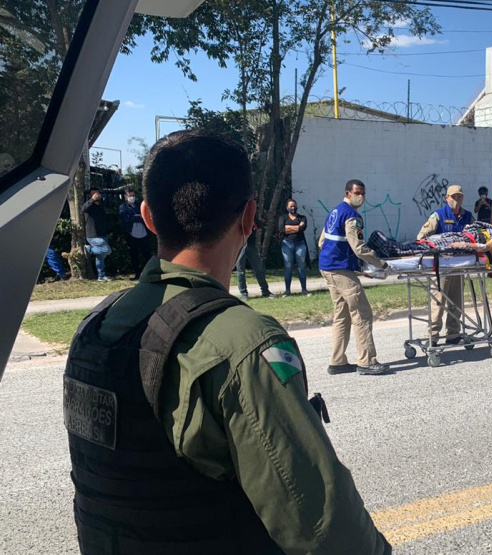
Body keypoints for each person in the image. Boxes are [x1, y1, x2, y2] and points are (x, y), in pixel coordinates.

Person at [63, 130, 390, 554]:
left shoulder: (95, 326)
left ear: (147, 215)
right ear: (249, 217)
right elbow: (330, 532)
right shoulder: (244, 344)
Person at [318, 179, 391, 376]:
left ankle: (337, 361)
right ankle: (367, 362)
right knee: (362, 313)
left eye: (363, 193)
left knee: (342, 315)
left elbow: (321, 241)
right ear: (348, 193)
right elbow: (359, 248)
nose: (361, 196)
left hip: (328, 267)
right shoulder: (352, 216)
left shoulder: (334, 212)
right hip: (340, 270)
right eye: (358, 192)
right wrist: (381, 264)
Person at [417, 184, 474, 345]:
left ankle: (453, 334)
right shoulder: (439, 215)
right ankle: (432, 336)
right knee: (438, 302)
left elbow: (476, 233)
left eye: (459, 196)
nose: (457, 199)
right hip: (441, 267)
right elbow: (421, 236)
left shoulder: (468, 217)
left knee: (456, 301)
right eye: (453, 196)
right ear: (446, 198)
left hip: (460, 265)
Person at [368, 222, 492, 257]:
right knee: (415, 246)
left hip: (456, 244)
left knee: (406, 250)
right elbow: (473, 225)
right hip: (452, 238)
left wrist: (465, 244)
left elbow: (484, 248)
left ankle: (380, 252)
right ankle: (377, 253)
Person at [278, 198, 312, 297]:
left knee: (301, 266)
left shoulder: (302, 217)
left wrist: (288, 228)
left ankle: (304, 290)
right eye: (291, 206)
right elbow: (281, 230)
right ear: (287, 207)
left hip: (300, 244)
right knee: (288, 266)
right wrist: (297, 228)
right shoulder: (283, 217)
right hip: (287, 244)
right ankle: (287, 291)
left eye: (294, 206)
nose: (293, 208)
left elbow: (302, 228)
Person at [236, 215, 275, 301]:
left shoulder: (251, 214)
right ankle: (244, 293)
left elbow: (259, 225)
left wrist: (252, 217)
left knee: (259, 269)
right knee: (241, 271)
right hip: (239, 245)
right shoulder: (235, 214)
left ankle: (265, 291)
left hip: (250, 244)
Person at [119, 187, 152, 280]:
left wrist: (134, 217)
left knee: (146, 253)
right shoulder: (123, 207)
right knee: (134, 254)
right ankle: (137, 274)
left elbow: (145, 216)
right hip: (131, 233)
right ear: (125, 197)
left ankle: (149, 272)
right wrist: (137, 217)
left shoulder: (139, 205)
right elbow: (125, 219)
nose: (132, 197)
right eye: (130, 196)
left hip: (143, 232)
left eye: (133, 195)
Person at [82, 186, 111, 281]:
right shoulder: (89, 206)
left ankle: (101, 276)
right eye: (94, 194)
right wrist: (92, 200)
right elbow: (83, 208)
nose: (96, 195)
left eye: (97, 193)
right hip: (93, 235)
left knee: (100, 257)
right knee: (107, 250)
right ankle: (88, 249)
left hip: (102, 234)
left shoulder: (101, 205)